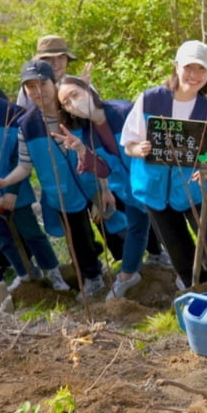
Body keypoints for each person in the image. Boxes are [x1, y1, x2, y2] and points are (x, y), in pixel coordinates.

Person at [121, 41, 207, 301]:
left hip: (195, 190)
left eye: (201, 69)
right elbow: (128, 142)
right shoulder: (151, 99)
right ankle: (201, 297)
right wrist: (138, 149)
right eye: (189, 67)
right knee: (180, 252)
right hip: (155, 190)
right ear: (176, 67)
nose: (194, 75)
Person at [0, 59, 115, 299]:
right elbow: (25, 166)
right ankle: (92, 278)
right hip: (61, 191)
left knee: (114, 227)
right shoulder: (26, 125)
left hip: (93, 183)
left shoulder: (74, 112)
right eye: (30, 88)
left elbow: (98, 151)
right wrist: (5, 182)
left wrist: (103, 188)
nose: (38, 92)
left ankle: (137, 266)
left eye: (42, 84)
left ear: (54, 83)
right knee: (77, 238)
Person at [0, 57, 67, 292]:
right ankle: (24, 273)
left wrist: (10, 192)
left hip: (16, 188)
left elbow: (20, 157)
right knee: (1, 236)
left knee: (31, 233)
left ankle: (54, 272)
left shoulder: (13, 113)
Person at [58, 76, 149, 300]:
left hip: (151, 185)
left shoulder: (123, 111)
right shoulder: (87, 133)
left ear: (89, 90)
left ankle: (192, 274)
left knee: (171, 228)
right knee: (137, 229)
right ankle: (128, 276)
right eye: (67, 102)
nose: (73, 104)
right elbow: (104, 169)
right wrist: (81, 150)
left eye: (75, 95)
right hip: (129, 191)